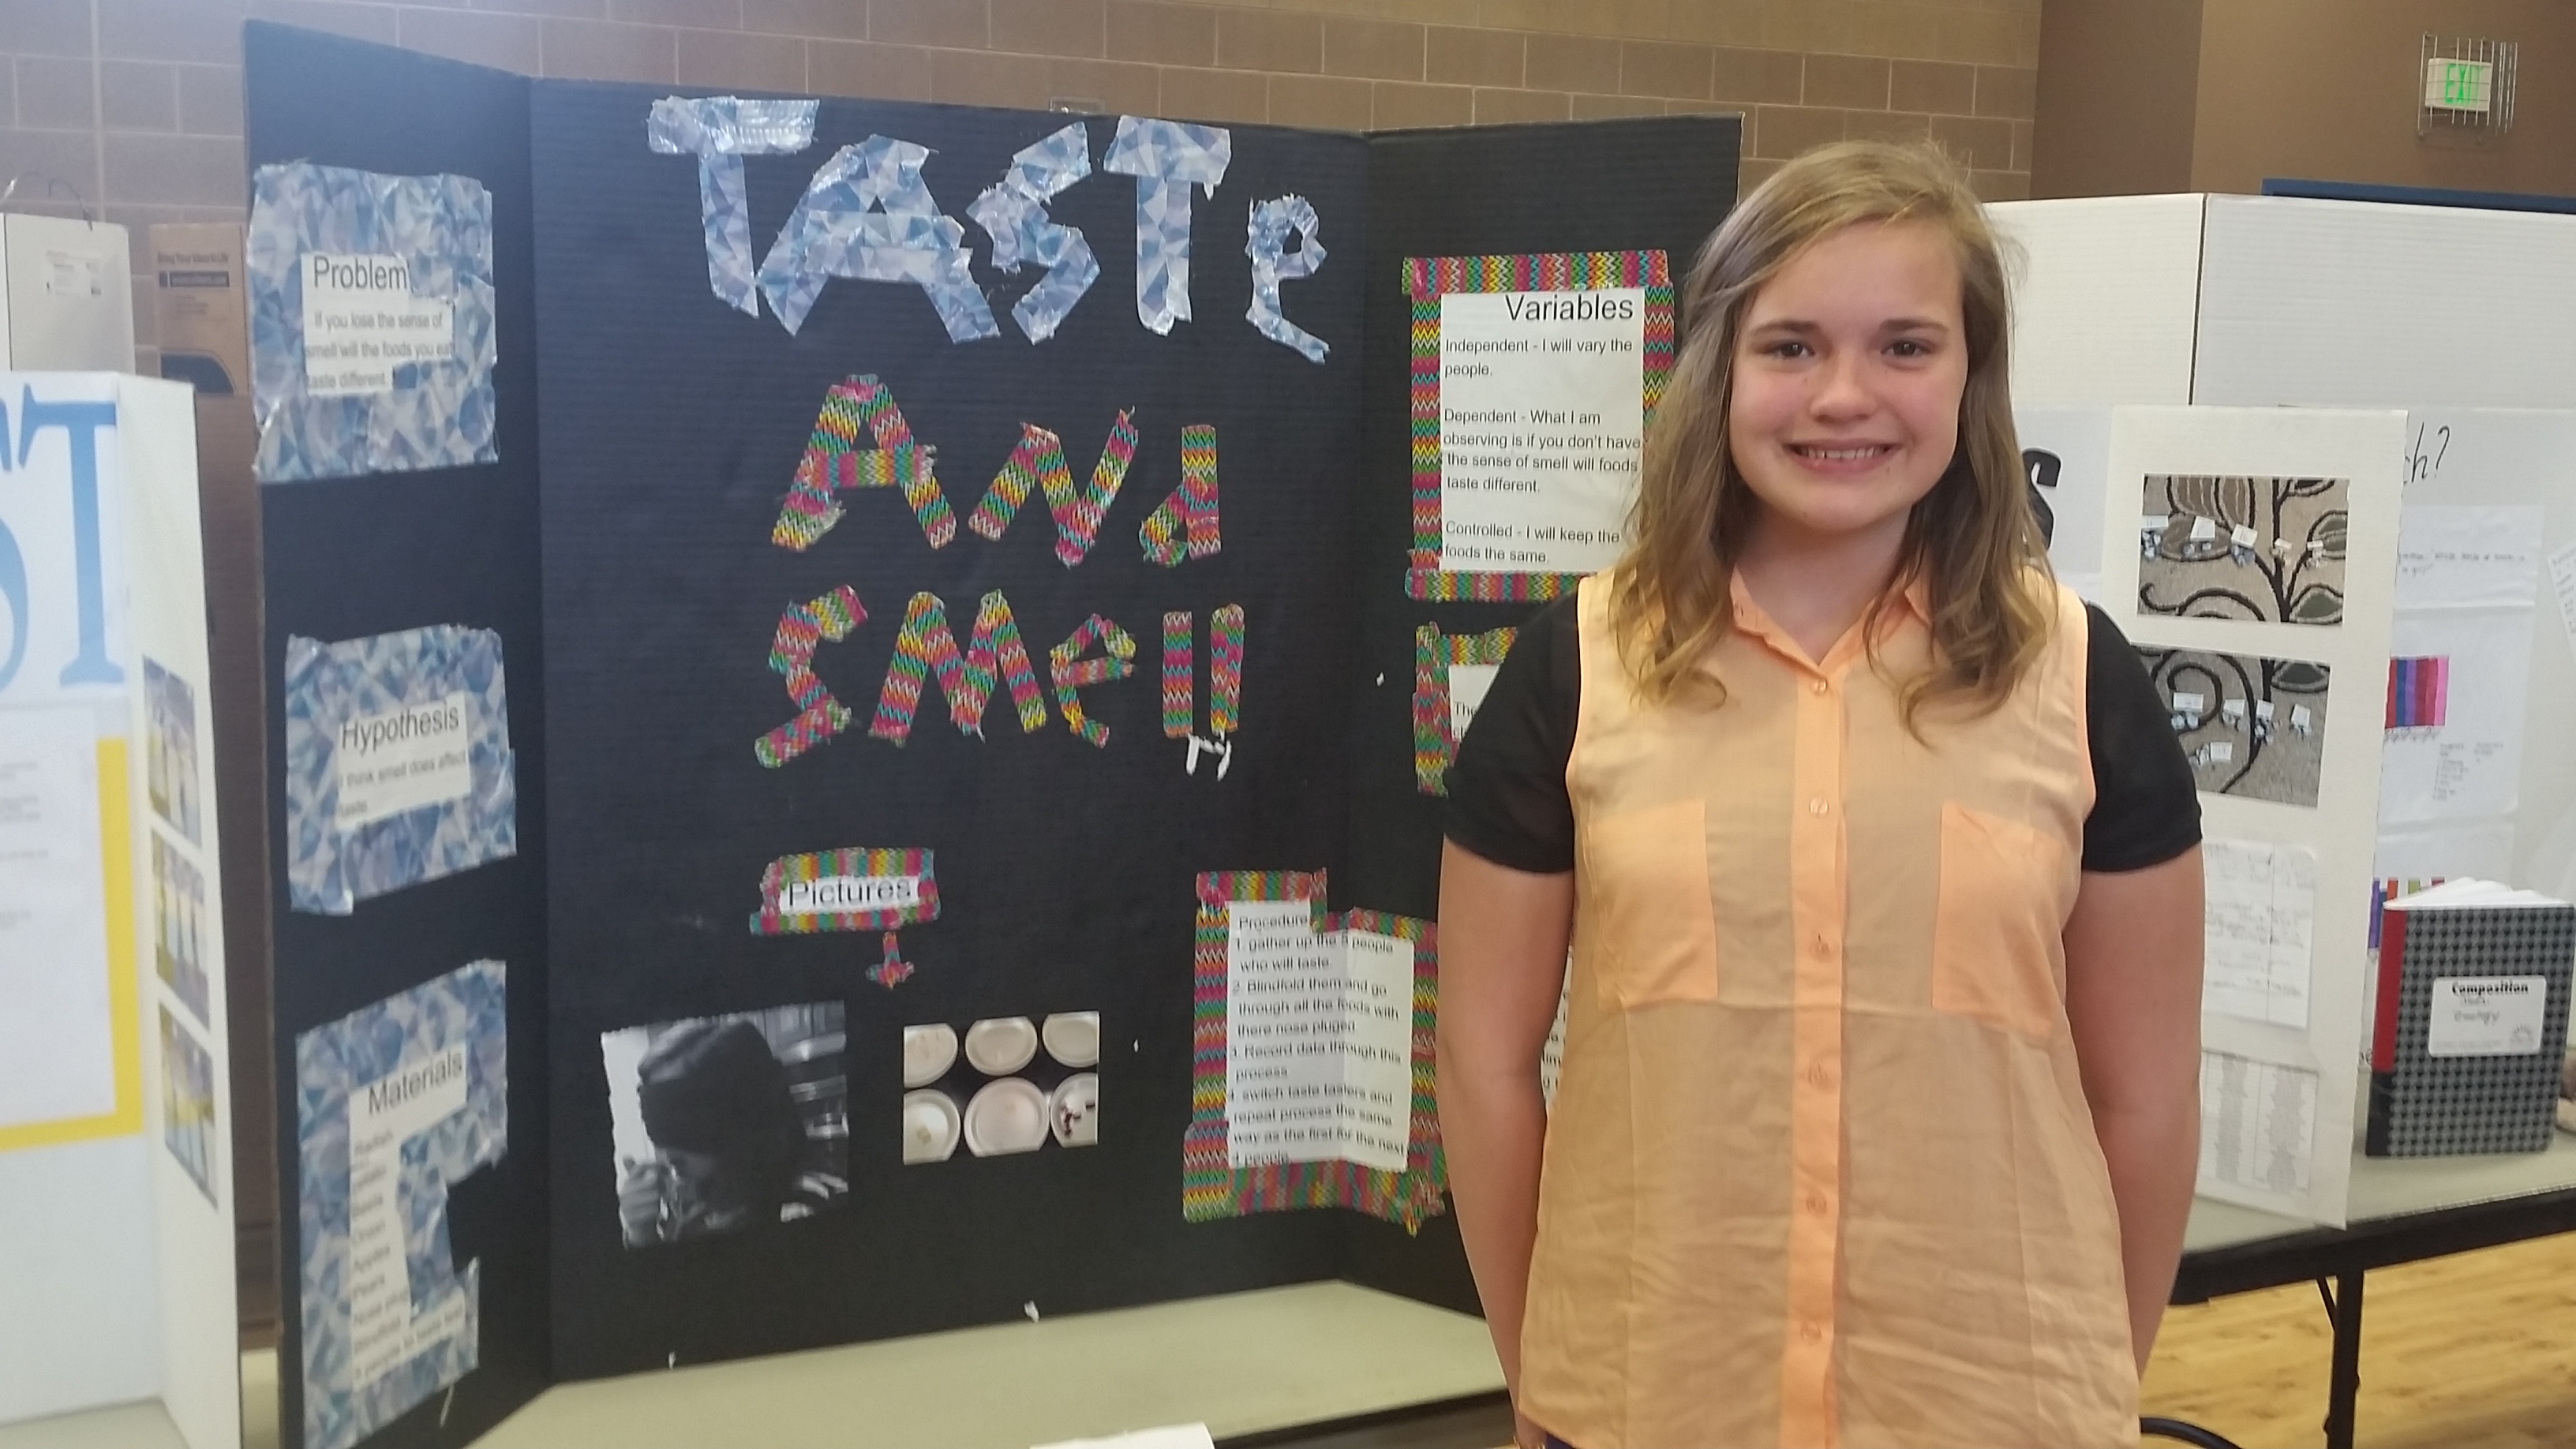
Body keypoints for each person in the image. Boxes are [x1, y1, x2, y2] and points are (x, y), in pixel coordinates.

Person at [1436, 141, 2206, 1449]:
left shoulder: (2080, 683)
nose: (1844, 396)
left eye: (1905, 346)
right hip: (1645, 1404)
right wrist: (1547, 1374)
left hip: (1986, 1412)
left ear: (1969, 376)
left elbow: (2145, 1103)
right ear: (1719, 372)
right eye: (1789, 346)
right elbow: (1482, 1063)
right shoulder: (1574, 672)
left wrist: (2085, 1384)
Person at [618, 1017, 848, 1245]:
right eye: (659, 1124)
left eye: (683, 1124)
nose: (667, 1152)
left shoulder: (808, 1207)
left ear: (740, 1115)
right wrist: (642, 1234)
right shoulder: (698, 1202)